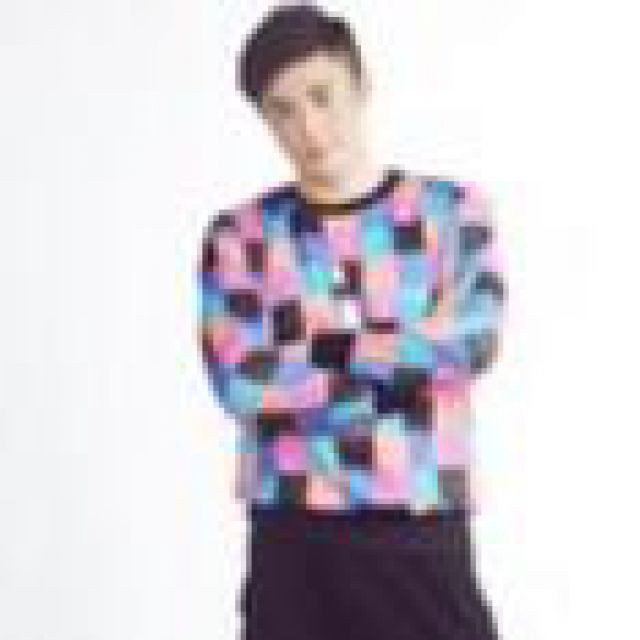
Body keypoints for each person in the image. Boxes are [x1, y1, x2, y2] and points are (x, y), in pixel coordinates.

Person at [197, 3, 508, 638]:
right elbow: (243, 383)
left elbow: (472, 341)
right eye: (283, 110)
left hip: (419, 528)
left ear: (361, 86)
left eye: (322, 96)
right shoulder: (242, 235)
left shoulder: (450, 211)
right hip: (292, 539)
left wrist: (334, 350)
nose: (309, 128)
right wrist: (405, 373)